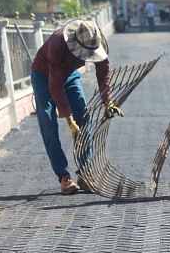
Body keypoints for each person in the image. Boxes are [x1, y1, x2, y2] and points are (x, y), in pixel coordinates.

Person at [30, 20, 124, 195]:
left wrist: (108, 102)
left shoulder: (98, 42)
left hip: (70, 74)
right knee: (48, 124)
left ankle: (85, 174)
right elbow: (55, 86)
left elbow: (103, 74)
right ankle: (63, 178)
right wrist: (69, 120)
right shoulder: (57, 43)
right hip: (44, 75)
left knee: (84, 116)